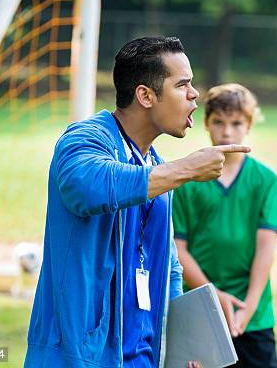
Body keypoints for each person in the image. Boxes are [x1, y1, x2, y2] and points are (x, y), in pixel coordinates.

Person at [24, 36, 248, 368]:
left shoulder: (155, 163)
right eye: (182, 84)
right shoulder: (85, 138)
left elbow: (169, 265)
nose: (194, 94)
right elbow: (85, 185)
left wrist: (179, 346)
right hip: (80, 358)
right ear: (145, 95)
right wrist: (184, 169)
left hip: (144, 359)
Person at [172, 83, 277, 368]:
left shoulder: (265, 180)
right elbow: (178, 249)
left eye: (236, 123)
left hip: (252, 314)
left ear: (248, 124)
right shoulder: (188, 180)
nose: (227, 131)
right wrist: (213, 295)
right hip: (200, 307)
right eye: (219, 122)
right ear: (206, 123)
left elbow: (265, 251)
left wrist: (249, 306)